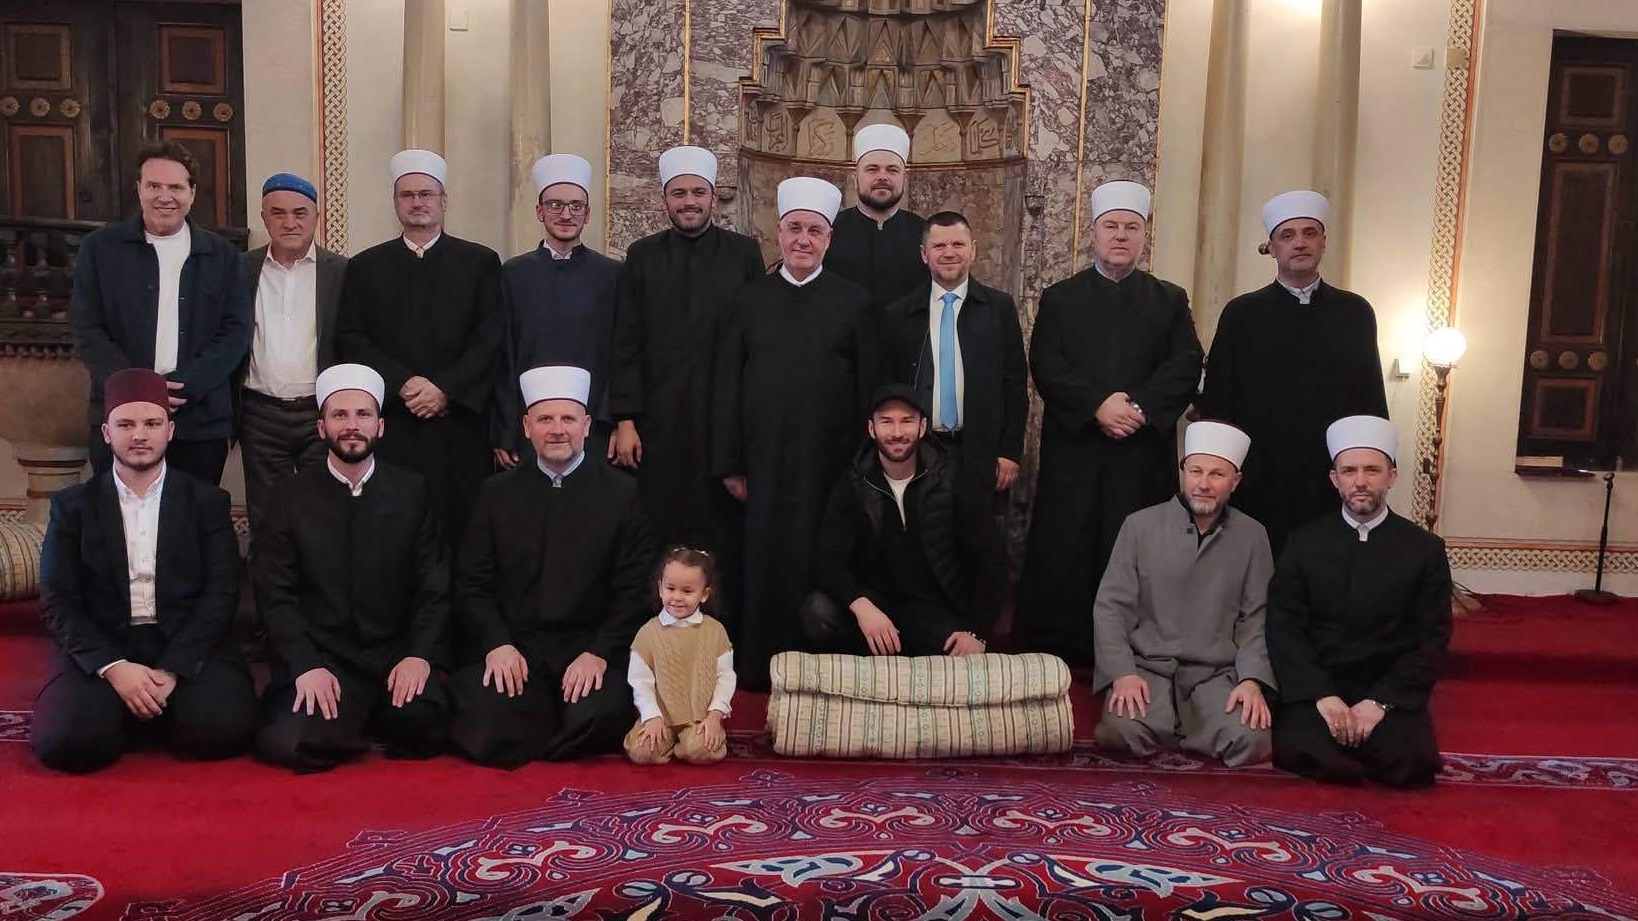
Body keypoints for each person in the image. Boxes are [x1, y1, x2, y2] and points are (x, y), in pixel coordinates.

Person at [1015, 180, 1204, 665]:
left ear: (1144, 236)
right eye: (1111, 226)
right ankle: (1064, 650)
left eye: (1131, 227)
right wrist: (1098, 405)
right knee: (1069, 547)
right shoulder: (1060, 298)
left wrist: (1138, 408)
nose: (1121, 235)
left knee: (1139, 549)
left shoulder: (1169, 299)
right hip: (1077, 450)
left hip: (1140, 455)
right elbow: (1047, 363)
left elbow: (1186, 364)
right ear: (1093, 234)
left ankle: (1138, 651)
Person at [31, 369, 255, 773]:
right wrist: (115, 668)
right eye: (126, 424)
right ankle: (129, 711)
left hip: (184, 642)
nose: (139, 435)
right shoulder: (73, 506)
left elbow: (221, 593)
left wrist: (173, 668)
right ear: (106, 432)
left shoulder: (206, 501)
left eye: (152, 423)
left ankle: (140, 713)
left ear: (170, 430)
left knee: (222, 730)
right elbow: (58, 600)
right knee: (66, 743)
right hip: (106, 643)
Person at [711, 177, 882, 686]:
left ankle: (819, 673)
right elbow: (726, 386)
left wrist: (864, 465)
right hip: (761, 462)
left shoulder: (856, 303)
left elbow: (870, 389)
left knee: (823, 558)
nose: (803, 239)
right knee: (763, 559)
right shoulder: (747, 301)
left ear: (829, 238)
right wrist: (730, 463)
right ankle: (762, 667)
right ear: (779, 233)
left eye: (814, 230)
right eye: (794, 229)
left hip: (832, 465)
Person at [450, 365, 656, 768]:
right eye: (545, 419)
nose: (557, 430)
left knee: (600, 713)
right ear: (527, 427)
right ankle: (551, 727)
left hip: (588, 649)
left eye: (568, 419)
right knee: (486, 715)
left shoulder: (621, 493)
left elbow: (634, 590)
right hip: (517, 648)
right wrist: (497, 644)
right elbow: (472, 583)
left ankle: (549, 726)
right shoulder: (496, 494)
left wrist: (599, 653)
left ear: (586, 426)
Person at [252, 364, 451, 772]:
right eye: (339, 415)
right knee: (293, 741)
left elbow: (434, 586)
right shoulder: (289, 496)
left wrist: (418, 656)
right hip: (325, 657)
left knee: (423, 724)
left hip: (394, 655)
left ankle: (361, 722)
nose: (352, 426)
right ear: (321, 427)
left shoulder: (412, 492)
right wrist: (306, 664)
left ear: (380, 425)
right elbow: (276, 594)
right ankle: (353, 721)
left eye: (362, 415)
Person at [1197, 191, 1389, 556]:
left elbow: (1371, 400)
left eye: (1309, 233)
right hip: (1259, 475)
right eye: (1288, 235)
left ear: (1323, 242)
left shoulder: (1355, 313)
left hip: (1330, 476)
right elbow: (1219, 402)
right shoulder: (1241, 315)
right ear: (1271, 247)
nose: (1300, 243)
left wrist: (1371, 466)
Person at [1267, 415, 1452, 789]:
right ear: (1334, 479)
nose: (1360, 481)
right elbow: (1285, 628)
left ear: (1391, 476)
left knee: (1410, 764)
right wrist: (1322, 695)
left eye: (1372, 470)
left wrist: (1380, 702)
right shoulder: (1303, 544)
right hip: (1321, 686)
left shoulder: (1424, 550)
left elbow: (1432, 637)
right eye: (1349, 471)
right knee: (1311, 754)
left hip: (1387, 688)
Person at [611, 146, 765, 585]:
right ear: (664, 199)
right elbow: (626, 341)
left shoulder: (743, 253)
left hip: (723, 424)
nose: (689, 202)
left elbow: (756, 343)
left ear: (714, 197)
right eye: (679, 194)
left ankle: (720, 623)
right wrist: (625, 419)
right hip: (660, 424)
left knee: (724, 535)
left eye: (698, 192)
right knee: (660, 529)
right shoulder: (642, 255)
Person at [335, 149, 505, 545]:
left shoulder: (480, 262)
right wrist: (404, 384)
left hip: (459, 422)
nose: (417, 202)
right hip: (396, 421)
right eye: (407, 195)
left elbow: (490, 338)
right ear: (395, 203)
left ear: (444, 201)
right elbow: (351, 337)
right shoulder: (365, 267)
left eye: (426, 194)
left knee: (463, 528)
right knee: (395, 528)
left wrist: (445, 388)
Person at [1093, 420, 1275, 767]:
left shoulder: (1253, 536)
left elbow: (1257, 618)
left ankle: (1184, 730)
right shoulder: (1139, 526)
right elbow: (1111, 608)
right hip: (1147, 670)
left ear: (1235, 481)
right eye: (1195, 472)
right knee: (1120, 732)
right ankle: (1182, 731)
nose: (1203, 484)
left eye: (1217, 474)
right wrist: (1122, 673)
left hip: (1216, 676)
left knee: (1251, 739)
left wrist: (1252, 680)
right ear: (1183, 472)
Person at [70, 141, 251, 484]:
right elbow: (87, 328)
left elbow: (235, 332)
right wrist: (139, 388)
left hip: (198, 419)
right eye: (154, 186)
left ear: (192, 193)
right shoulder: (100, 249)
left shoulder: (223, 256)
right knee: (119, 513)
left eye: (176, 188)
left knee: (193, 513)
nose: (164, 197)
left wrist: (188, 385)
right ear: (138, 188)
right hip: (121, 414)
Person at [802, 384, 1005, 657]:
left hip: (935, 612)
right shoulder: (853, 483)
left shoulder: (953, 479)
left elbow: (991, 557)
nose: (897, 432)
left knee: (958, 655)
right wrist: (860, 604)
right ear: (872, 429)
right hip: (875, 611)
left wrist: (976, 631)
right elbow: (827, 559)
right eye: (886, 422)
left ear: (922, 427)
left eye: (907, 421)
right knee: (818, 613)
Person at [237, 172, 349, 544]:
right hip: (260, 414)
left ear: (317, 216)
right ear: (263, 217)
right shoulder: (240, 269)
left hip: (322, 411)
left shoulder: (343, 272)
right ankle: (272, 583)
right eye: (278, 213)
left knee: (327, 511)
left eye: (300, 213)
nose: (290, 223)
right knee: (268, 517)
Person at [881, 210, 1026, 495]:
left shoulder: (999, 309)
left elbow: (1015, 384)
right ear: (924, 254)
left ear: (973, 250)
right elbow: (889, 386)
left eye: (958, 244)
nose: (949, 253)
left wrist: (1009, 451)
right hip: (919, 453)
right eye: (939, 246)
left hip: (982, 453)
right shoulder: (900, 314)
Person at [494, 154, 623, 467]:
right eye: (555, 205)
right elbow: (502, 356)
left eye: (576, 206)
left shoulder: (613, 275)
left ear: (587, 214)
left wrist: (617, 421)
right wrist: (505, 429)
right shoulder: (512, 274)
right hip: (528, 429)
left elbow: (622, 353)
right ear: (539, 211)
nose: (566, 214)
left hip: (596, 427)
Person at [623, 547, 735, 765]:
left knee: (701, 749)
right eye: (670, 588)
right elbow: (640, 682)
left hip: (699, 718)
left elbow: (726, 677)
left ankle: (687, 742)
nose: (677, 597)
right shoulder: (648, 633)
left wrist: (715, 715)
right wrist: (651, 716)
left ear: (704, 594)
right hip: (661, 716)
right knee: (642, 751)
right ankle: (670, 741)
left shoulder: (715, 631)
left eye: (687, 591)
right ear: (660, 589)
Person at [823, 124, 928, 310]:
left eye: (892, 170)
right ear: (855, 178)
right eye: (872, 169)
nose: (882, 177)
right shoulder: (828, 231)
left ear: (904, 178)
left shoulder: (926, 234)